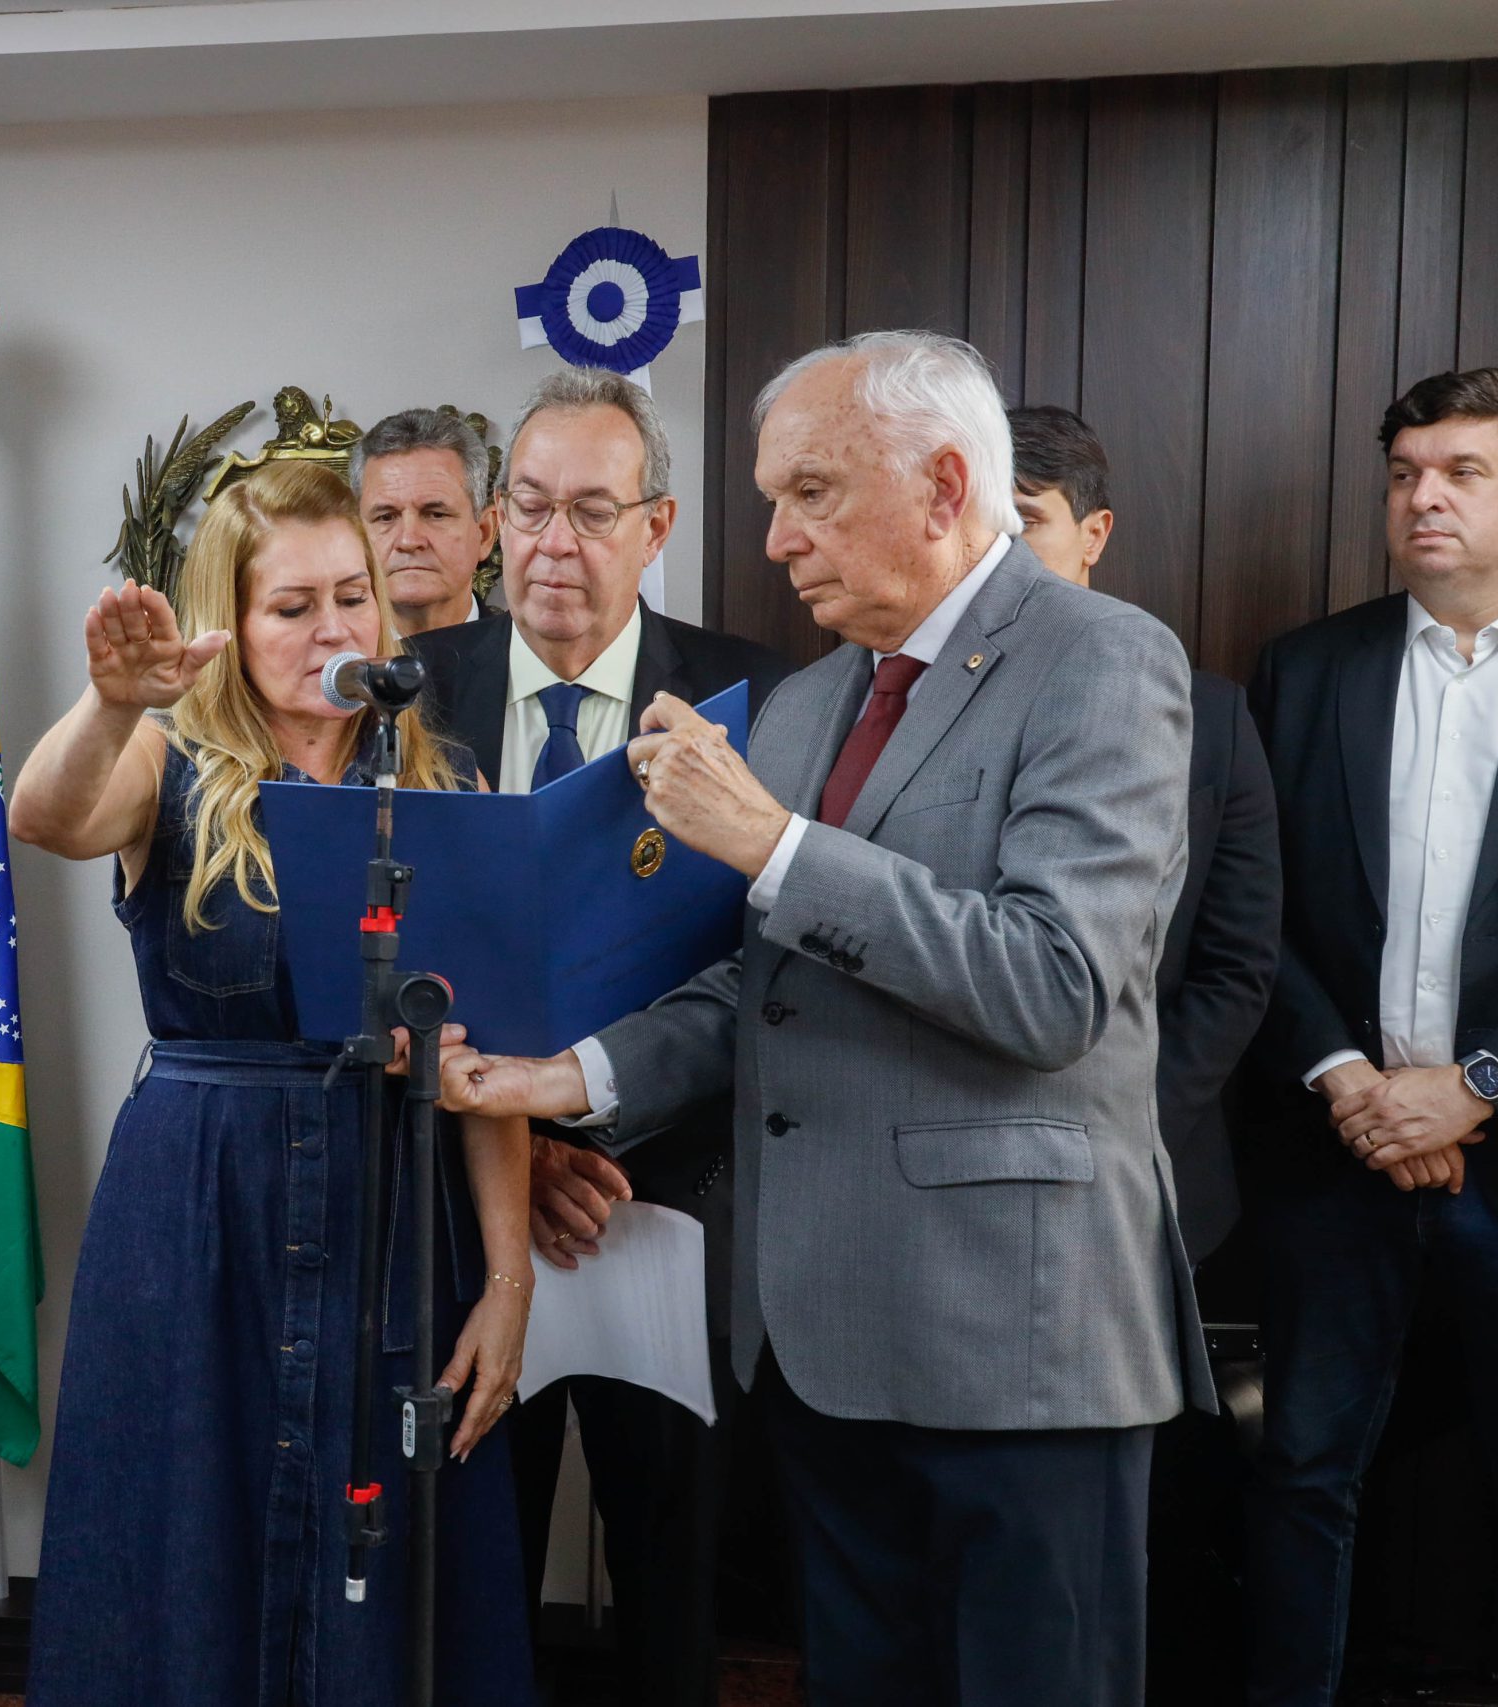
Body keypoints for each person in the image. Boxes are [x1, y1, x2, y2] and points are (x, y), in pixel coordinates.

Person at [435, 330, 1214, 1706]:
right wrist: (560, 1078)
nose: (778, 536)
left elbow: (1053, 983)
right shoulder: (805, 703)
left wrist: (775, 842)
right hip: (824, 1343)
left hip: (1020, 1343)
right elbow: (761, 991)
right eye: (770, 497)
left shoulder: (1103, 659)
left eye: (811, 492)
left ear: (942, 482)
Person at [8, 460, 535, 1705]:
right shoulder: (164, 761)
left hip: (393, 1207)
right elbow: (45, 816)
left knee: (391, 1548)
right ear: (232, 628)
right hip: (202, 1204)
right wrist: (106, 705)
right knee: (193, 1520)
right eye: (291, 606)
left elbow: (485, 1062)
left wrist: (506, 1280)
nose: (333, 629)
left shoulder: (438, 789)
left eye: (352, 596)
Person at [410, 365, 789, 1705]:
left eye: (590, 510)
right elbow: (367, 956)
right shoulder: (407, 689)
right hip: (459, 1215)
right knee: (467, 1574)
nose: (552, 546)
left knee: (672, 1576)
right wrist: (517, 1140)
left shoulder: (756, 698)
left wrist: (594, 1122)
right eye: (527, 508)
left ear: (659, 522)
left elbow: (770, 969)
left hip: (665, 1197)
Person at [1240, 367, 1498, 1707]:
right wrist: (1354, 1079)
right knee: (1302, 1472)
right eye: (1405, 472)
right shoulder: (1309, 669)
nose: (1423, 497)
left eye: (1462, 471)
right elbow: (1255, 911)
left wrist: (1475, 1088)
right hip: (1337, 1154)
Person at [1009, 404, 1279, 1265]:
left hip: (1148, 1162)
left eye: (1026, 521)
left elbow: (1235, 966)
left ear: (1095, 534)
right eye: (980, 525)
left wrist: (1118, 1115)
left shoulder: (1212, 713)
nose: (998, 552)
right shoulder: (903, 703)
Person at [352, 407, 499, 634]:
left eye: (435, 514)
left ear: (485, 533)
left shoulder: (533, 662)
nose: (409, 541)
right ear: (356, 538)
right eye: (386, 517)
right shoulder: (323, 665)